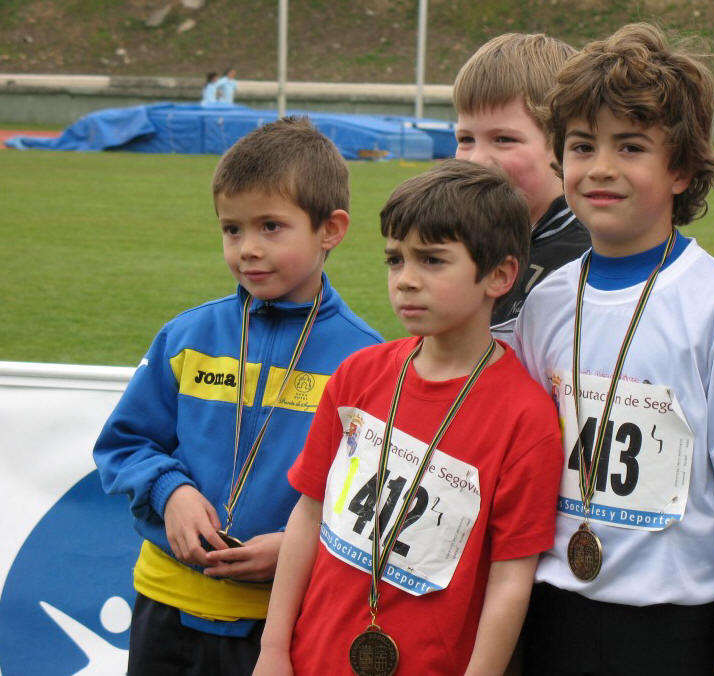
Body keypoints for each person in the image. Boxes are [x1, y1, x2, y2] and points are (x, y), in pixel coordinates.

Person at [513, 23, 714, 675]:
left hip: (671, 631)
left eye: (629, 147)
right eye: (582, 146)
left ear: (681, 168)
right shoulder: (544, 302)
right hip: (548, 612)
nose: (600, 168)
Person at [92, 117, 382, 676]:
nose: (248, 249)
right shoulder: (186, 337)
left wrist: (302, 546)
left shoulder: (364, 361)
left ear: (331, 228)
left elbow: (370, 502)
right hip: (166, 607)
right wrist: (169, 491)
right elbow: (124, 444)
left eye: (271, 226)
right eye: (232, 229)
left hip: (282, 621)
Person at [253, 159, 564, 676]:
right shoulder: (359, 374)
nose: (406, 280)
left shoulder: (525, 419)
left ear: (499, 275)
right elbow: (309, 514)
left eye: (433, 260)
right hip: (311, 659)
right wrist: (273, 649)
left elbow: (511, 578)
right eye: (395, 260)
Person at [453, 33, 590, 343]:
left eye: (503, 139)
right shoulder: (466, 243)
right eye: (465, 140)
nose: (477, 160)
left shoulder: (588, 262)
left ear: (564, 144)